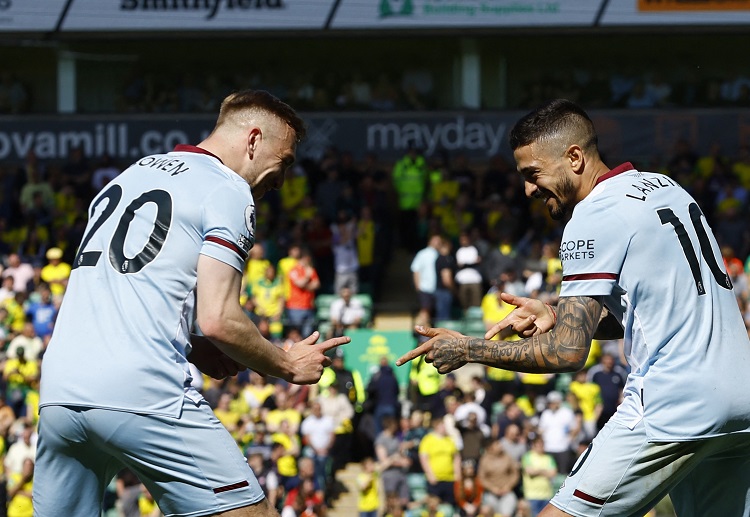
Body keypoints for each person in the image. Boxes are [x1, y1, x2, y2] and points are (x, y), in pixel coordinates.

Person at [398, 98, 750, 516]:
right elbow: (650, 310)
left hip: (674, 402)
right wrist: (557, 314)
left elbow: (567, 353)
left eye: (533, 174)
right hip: (740, 401)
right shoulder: (666, 187)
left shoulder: (592, 215)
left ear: (575, 157)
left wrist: (469, 349)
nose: (528, 189)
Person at [34, 89, 351, 517]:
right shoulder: (227, 189)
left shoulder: (130, 175)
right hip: (143, 391)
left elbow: (126, 288)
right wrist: (288, 364)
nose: (282, 180)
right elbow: (219, 318)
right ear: (253, 140)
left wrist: (188, 341)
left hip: (60, 391)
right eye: (286, 161)